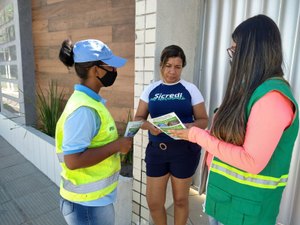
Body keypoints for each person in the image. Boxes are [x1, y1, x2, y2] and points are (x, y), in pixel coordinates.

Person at [170, 14, 299, 225]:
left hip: (245, 212)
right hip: (226, 201)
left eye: (235, 50)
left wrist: (196, 135)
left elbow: (252, 161)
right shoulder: (249, 89)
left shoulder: (271, 99)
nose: (232, 57)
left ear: (252, 52)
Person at [56, 39, 133, 225]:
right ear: (96, 70)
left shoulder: (90, 102)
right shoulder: (84, 110)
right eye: (111, 66)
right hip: (87, 205)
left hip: (92, 201)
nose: (114, 71)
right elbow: (73, 161)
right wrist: (116, 146)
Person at [134, 45, 208, 225]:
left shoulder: (190, 89)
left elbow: (203, 120)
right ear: (161, 65)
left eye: (177, 66)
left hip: (184, 151)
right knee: (153, 202)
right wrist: (150, 126)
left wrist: (188, 126)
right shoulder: (151, 89)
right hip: (157, 152)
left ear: (182, 67)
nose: (172, 71)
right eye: (168, 65)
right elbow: (138, 118)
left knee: (181, 200)